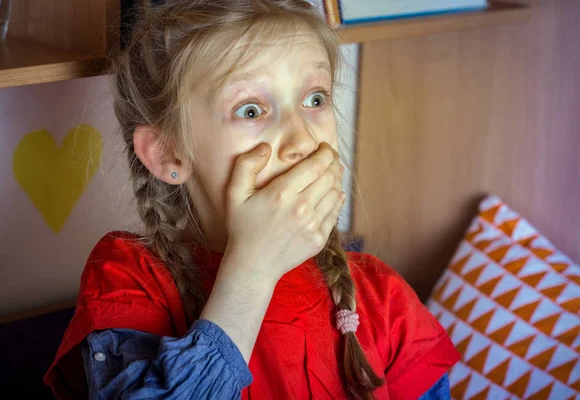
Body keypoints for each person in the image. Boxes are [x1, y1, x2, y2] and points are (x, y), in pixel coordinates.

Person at [44, 1, 460, 399]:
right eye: (250, 110)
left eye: (315, 99)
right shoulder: (127, 277)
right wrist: (253, 269)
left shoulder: (381, 295)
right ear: (169, 153)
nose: (302, 139)